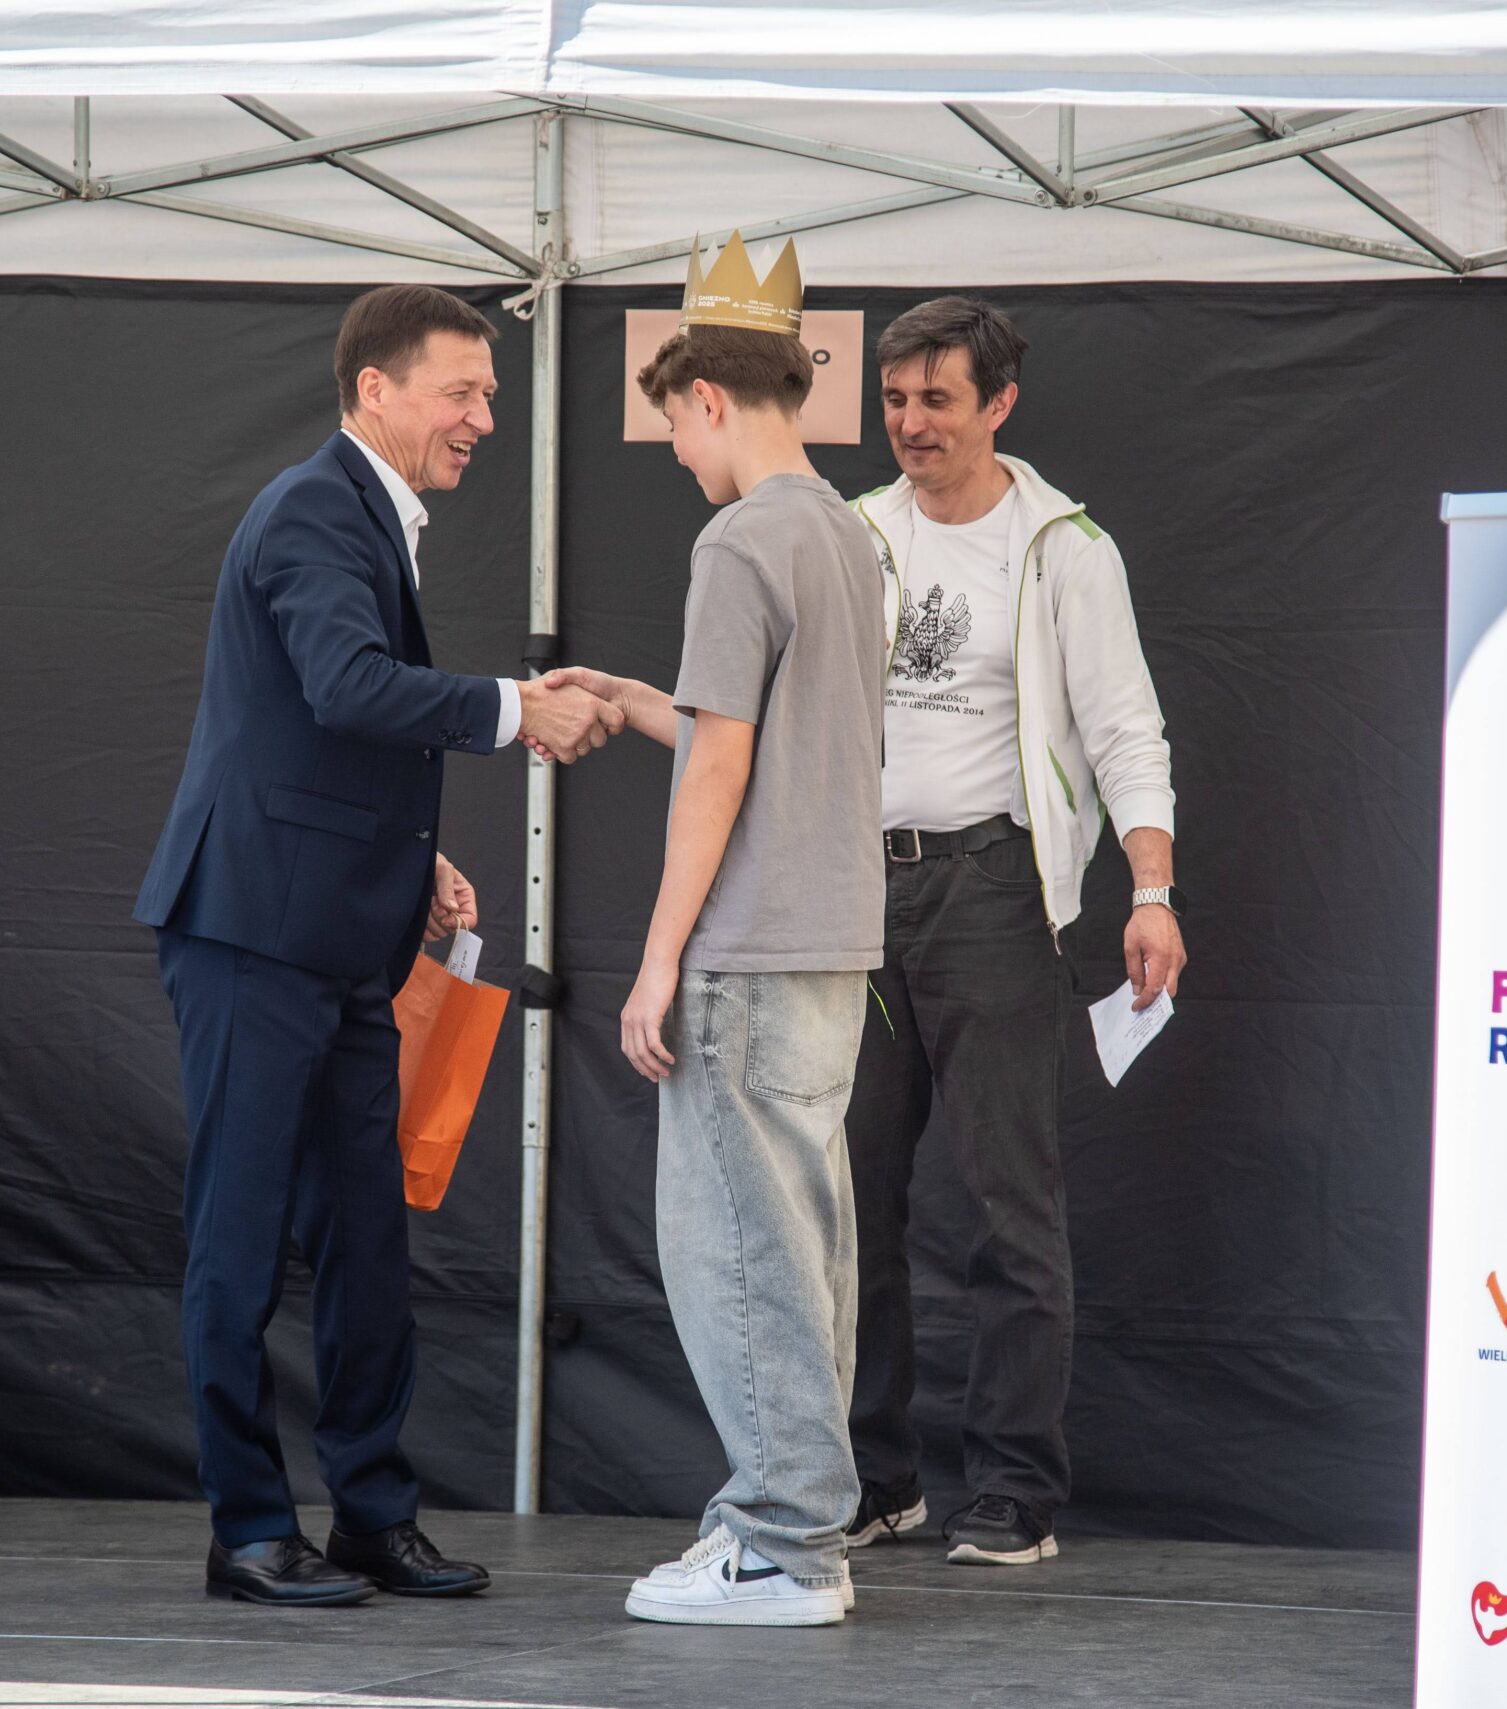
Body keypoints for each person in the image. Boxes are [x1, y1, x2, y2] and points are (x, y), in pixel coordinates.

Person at [132, 284, 622, 1607]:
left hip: (340, 937)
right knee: (239, 1240)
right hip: (250, 933)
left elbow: (314, 733)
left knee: (365, 1239)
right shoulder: (311, 509)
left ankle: (370, 1515)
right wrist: (518, 710)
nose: (485, 418)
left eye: (490, 394)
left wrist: (412, 863)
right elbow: (348, 686)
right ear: (374, 391)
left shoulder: (363, 516)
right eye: (462, 392)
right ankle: (249, 1530)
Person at [534, 234, 885, 1627]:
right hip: (834, 943)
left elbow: (729, 764)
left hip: (747, 948)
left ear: (708, 399)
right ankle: (800, 1527)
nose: (678, 453)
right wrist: (640, 698)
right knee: (806, 1245)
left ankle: (782, 1544)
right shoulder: (847, 533)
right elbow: (771, 734)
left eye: (675, 425)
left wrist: (659, 953)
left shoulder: (738, 538)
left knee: (738, 1248)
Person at [841, 297, 1183, 1568]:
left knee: (1007, 1205)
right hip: (855, 890)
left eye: (937, 399)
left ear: (998, 404)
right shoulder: (854, 532)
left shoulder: (1063, 546)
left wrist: (1150, 889)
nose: (911, 422)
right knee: (846, 1199)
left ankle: (1012, 1489)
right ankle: (873, 1478)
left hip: (994, 886)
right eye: (894, 399)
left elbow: (1126, 727)